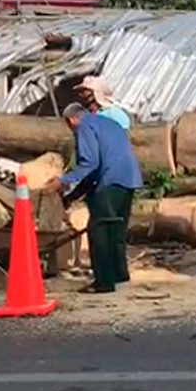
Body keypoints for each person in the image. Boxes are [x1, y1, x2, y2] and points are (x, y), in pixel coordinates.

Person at [60, 102, 143, 293]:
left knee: (99, 230)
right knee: (116, 229)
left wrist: (63, 180)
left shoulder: (84, 127)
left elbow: (90, 164)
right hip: (128, 179)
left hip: (110, 180)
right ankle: (119, 273)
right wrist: (73, 196)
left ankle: (104, 282)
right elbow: (95, 169)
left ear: (71, 119)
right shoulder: (108, 124)